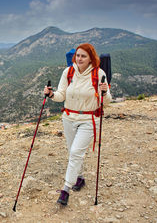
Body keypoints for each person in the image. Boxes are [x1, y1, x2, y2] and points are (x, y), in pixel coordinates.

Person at [44, 43, 112, 206]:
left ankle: (65, 189)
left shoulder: (98, 73)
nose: (80, 59)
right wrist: (52, 94)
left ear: (91, 59)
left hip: (89, 119)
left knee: (75, 152)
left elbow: (106, 101)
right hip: (68, 118)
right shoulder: (68, 72)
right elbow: (61, 95)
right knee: (72, 151)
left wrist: (104, 91)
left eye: (84, 56)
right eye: (78, 55)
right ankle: (79, 178)